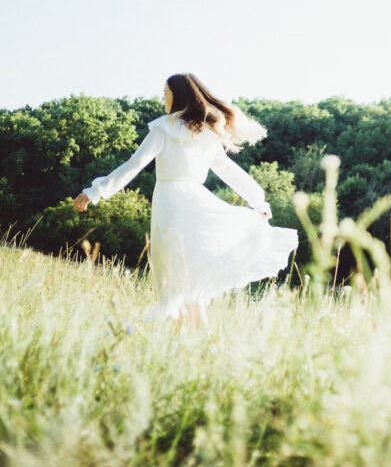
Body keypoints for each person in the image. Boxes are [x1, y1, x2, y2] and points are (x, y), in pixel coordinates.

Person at [73, 73, 298, 330]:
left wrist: (95, 191)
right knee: (186, 273)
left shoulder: (165, 127)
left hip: (172, 204)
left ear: (177, 95)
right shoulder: (205, 132)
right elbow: (228, 170)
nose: (162, 97)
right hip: (195, 202)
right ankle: (196, 338)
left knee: (175, 274)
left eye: (165, 92)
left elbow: (134, 165)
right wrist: (258, 200)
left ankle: (192, 335)